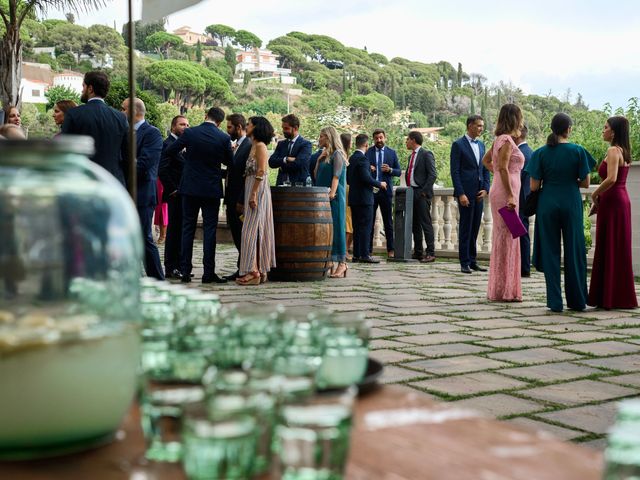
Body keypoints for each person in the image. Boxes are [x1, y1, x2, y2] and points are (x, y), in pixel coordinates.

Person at [525, 113, 595, 312]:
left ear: (551, 129)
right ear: (569, 129)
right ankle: (577, 301)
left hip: (548, 203)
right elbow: (586, 182)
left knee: (550, 251)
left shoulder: (540, 153)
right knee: (574, 250)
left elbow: (533, 186)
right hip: (570, 201)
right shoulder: (578, 151)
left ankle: (555, 302)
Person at [166, 106, 232, 284]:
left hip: (189, 187)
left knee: (188, 228)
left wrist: (188, 159)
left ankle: (185, 271)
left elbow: (170, 150)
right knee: (210, 230)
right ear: (219, 122)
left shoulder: (190, 133)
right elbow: (229, 161)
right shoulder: (224, 138)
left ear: (205, 116)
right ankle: (208, 273)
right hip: (211, 189)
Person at [588, 116, 638, 309]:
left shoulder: (613, 150)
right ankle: (618, 295)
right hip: (621, 200)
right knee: (617, 246)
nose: (603, 130)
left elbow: (611, 179)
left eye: (605, 127)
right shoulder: (624, 151)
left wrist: (595, 194)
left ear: (614, 132)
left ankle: (607, 296)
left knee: (609, 245)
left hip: (613, 200)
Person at [482, 104, 525, 302]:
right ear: (514, 119)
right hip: (506, 193)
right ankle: (506, 290)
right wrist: (508, 193)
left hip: (501, 188)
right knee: (508, 238)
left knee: (505, 237)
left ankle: (501, 288)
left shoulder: (498, 139)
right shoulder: (507, 140)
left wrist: (499, 177)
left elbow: (486, 161)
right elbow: (504, 167)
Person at [121, 98, 164, 280]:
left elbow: (144, 164)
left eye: (123, 109)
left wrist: (120, 167)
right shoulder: (123, 132)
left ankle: (157, 280)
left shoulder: (152, 133)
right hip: (125, 192)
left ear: (133, 111)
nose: (120, 112)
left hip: (142, 194)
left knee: (144, 238)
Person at [61, 71, 129, 186]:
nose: (82, 90)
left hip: (83, 183)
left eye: (83, 86)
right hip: (113, 183)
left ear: (90, 88)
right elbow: (127, 156)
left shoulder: (74, 114)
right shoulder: (120, 117)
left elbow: (65, 153)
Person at [237, 116, 276, 285]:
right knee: (255, 230)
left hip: (257, 189)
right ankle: (258, 269)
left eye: (249, 124)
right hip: (251, 187)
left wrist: (253, 194)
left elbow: (261, 171)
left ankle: (254, 271)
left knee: (250, 231)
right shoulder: (253, 145)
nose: (247, 126)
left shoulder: (260, 146)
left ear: (256, 127)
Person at [450, 115, 490, 274]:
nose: (481, 128)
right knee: (466, 228)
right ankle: (464, 262)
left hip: (479, 192)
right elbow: (455, 171)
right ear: (470, 126)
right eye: (479, 125)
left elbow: (486, 168)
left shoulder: (481, 145)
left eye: (482, 126)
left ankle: (473, 261)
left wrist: (486, 187)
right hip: (465, 193)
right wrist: (460, 193)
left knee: (475, 228)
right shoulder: (458, 145)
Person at [347, 134, 387, 264]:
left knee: (357, 227)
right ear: (366, 145)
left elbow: (349, 178)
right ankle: (364, 254)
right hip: (364, 199)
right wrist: (380, 184)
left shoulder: (352, 158)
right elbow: (366, 178)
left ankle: (357, 255)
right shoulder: (363, 160)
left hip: (354, 198)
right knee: (365, 227)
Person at [315, 126, 348, 278]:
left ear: (328, 138)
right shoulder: (324, 155)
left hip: (333, 197)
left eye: (321, 136)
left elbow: (336, 176)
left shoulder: (338, 155)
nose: (319, 139)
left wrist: (332, 194)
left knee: (338, 227)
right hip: (322, 194)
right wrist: (319, 159)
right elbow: (316, 174)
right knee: (327, 230)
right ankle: (330, 261)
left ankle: (342, 263)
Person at [159, 115, 189, 279]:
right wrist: (172, 189)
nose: (185, 127)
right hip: (174, 194)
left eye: (187, 124)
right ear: (173, 126)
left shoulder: (186, 145)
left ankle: (180, 265)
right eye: (182, 124)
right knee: (174, 231)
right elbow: (162, 169)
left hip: (186, 193)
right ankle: (170, 267)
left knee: (181, 230)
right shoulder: (167, 144)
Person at [223, 113, 252, 281]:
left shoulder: (248, 146)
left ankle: (243, 267)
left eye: (229, 127)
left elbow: (244, 176)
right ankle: (241, 266)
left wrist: (241, 199)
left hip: (238, 198)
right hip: (231, 197)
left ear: (238, 127)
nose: (228, 130)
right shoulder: (238, 146)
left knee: (241, 234)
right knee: (236, 233)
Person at [366, 129, 401, 258]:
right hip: (371, 191)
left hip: (386, 192)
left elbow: (398, 171)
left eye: (381, 138)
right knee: (370, 222)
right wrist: (368, 168)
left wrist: (390, 169)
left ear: (385, 138)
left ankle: (391, 250)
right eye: (376, 138)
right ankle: (368, 250)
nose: (379, 140)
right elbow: (361, 169)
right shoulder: (368, 152)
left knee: (388, 222)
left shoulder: (391, 153)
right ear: (373, 139)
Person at [405, 131, 437, 263]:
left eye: (407, 139)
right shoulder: (410, 156)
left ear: (413, 140)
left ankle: (430, 252)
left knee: (425, 223)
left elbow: (432, 174)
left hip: (422, 193)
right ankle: (418, 252)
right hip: (411, 192)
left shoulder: (426, 154)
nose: (406, 142)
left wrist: (424, 191)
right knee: (415, 224)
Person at [268, 114, 312, 185]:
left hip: (299, 186)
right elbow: (271, 162)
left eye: (286, 128)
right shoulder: (281, 144)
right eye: (283, 128)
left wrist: (282, 166)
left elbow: (299, 164)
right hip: (281, 185)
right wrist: (286, 159)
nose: (283, 131)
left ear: (295, 128)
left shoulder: (306, 144)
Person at [515, 124, 533, 277]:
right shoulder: (531, 152)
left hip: (517, 199)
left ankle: (521, 267)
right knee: (523, 234)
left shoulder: (518, 153)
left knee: (518, 234)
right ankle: (524, 267)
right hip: (526, 200)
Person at [340, 133, 354, 260]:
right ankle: (345, 250)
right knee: (347, 221)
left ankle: (346, 249)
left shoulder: (347, 154)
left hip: (349, 189)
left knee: (349, 220)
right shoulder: (342, 154)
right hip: (346, 189)